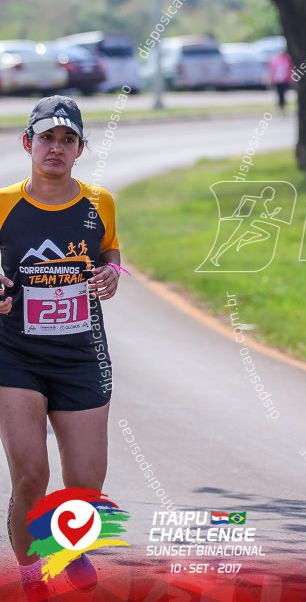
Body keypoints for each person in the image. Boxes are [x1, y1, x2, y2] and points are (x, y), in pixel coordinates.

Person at [0, 96, 122, 601]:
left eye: (67, 139)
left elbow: (110, 251)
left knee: (86, 484)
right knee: (31, 473)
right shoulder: (4, 203)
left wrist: (112, 271)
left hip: (82, 354)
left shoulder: (100, 202)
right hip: (16, 355)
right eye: (46, 138)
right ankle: (31, 580)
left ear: (80, 149)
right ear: (28, 143)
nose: (56, 147)